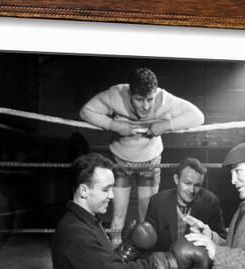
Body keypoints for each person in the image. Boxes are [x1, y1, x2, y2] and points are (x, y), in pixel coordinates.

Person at [51, 153, 210, 269]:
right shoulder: (75, 233)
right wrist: (170, 261)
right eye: (106, 189)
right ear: (84, 191)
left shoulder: (88, 223)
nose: (112, 196)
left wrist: (128, 248)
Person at [79, 68, 204, 247]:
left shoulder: (163, 99)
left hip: (150, 163)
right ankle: (115, 258)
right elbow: (86, 111)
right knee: (118, 217)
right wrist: (112, 125)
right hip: (121, 162)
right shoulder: (116, 94)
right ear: (130, 94)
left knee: (147, 219)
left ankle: (145, 260)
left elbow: (198, 116)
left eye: (149, 99)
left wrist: (166, 125)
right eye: (139, 100)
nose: (145, 107)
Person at [128, 157, 227, 269]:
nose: (192, 190)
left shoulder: (210, 202)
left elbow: (222, 238)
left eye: (197, 185)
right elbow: (149, 242)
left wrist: (210, 236)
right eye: (187, 183)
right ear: (176, 180)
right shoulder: (158, 202)